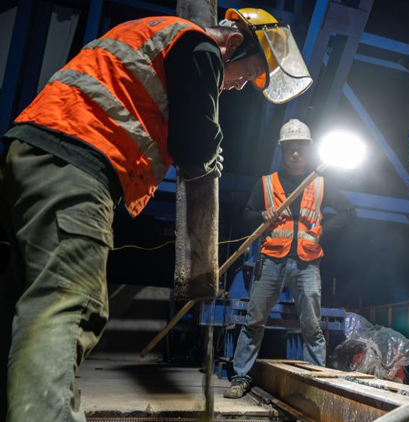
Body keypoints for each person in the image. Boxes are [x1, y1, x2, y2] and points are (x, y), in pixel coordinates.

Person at [0, 8, 311, 421]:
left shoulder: (155, 35)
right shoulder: (199, 46)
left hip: (30, 154)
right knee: (69, 301)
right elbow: (195, 143)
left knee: (20, 308)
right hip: (77, 161)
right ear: (234, 44)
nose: (239, 86)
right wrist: (210, 157)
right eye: (248, 73)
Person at [224, 119, 355, 399]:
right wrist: (262, 215)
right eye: (290, 149)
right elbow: (246, 215)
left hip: (307, 263)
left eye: (300, 148)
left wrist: (323, 230)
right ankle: (240, 378)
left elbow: (348, 211)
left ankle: (315, 384)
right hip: (271, 260)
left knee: (312, 326)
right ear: (282, 150)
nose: (295, 153)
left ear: (308, 150)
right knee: (254, 322)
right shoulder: (266, 183)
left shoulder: (319, 182)